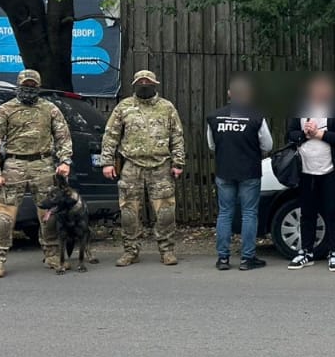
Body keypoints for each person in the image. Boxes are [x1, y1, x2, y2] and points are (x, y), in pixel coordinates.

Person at [0, 69, 72, 278]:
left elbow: (63, 136)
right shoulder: (6, 110)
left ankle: (52, 254)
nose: (29, 89)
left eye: (32, 85)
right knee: (4, 216)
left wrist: (65, 161)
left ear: (38, 87)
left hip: (43, 165)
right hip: (14, 165)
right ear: (18, 85)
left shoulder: (50, 109)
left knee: (49, 215)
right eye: (25, 85)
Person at [100, 70, 186, 266]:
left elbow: (177, 136)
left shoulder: (167, 108)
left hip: (161, 166)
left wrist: (178, 163)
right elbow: (110, 135)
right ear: (134, 85)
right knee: (129, 213)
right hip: (131, 166)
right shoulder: (124, 107)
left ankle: (167, 250)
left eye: (148, 82)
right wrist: (107, 162)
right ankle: (130, 251)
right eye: (140, 82)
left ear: (155, 84)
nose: (144, 85)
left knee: (165, 212)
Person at [285, 74, 335, 271]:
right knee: (307, 213)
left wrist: (320, 134)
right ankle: (306, 251)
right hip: (306, 170)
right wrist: (304, 133)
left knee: (333, 212)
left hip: (332, 170)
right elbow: (290, 134)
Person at [207, 74, 273, 271]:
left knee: (225, 213)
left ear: (229, 93)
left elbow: (211, 145)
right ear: (249, 94)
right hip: (249, 171)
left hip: (224, 170)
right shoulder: (256, 116)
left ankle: (223, 259)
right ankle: (247, 258)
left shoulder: (214, 116)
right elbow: (268, 144)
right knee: (249, 213)